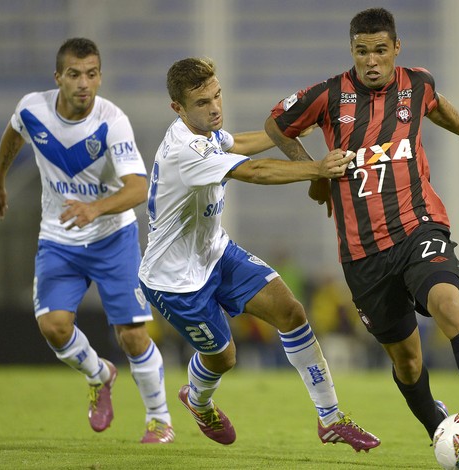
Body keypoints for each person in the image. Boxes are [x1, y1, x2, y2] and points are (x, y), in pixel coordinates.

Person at [265, 7, 459, 460]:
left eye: (380, 51)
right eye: (362, 51)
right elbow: (276, 123)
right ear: (352, 50)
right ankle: (438, 427)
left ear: (396, 50)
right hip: (363, 253)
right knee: (406, 361)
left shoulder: (417, 83)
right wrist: (311, 170)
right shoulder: (329, 95)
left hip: (418, 226)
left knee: (450, 307)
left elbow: (437, 104)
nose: (371, 60)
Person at [138, 57, 379, 452]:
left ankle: (331, 419)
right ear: (178, 109)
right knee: (223, 357)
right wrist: (317, 168)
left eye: (217, 95)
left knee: (292, 312)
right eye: (202, 103)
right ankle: (197, 400)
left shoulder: (208, 132)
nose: (215, 107)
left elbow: (243, 142)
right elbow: (255, 171)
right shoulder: (184, 150)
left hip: (216, 253)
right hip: (174, 280)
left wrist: (292, 123)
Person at [0, 38, 174, 444]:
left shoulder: (112, 122)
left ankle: (159, 419)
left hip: (113, 236)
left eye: (91, 74)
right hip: (59, 237)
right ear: (59, 78)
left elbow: (139, 188)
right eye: (74, 74)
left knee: (132, 335)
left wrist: (95, 208)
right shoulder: (32, 108)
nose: (84, 83)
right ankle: (98, 374)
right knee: (53, 327)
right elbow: (14, 135)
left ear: (100, 77)